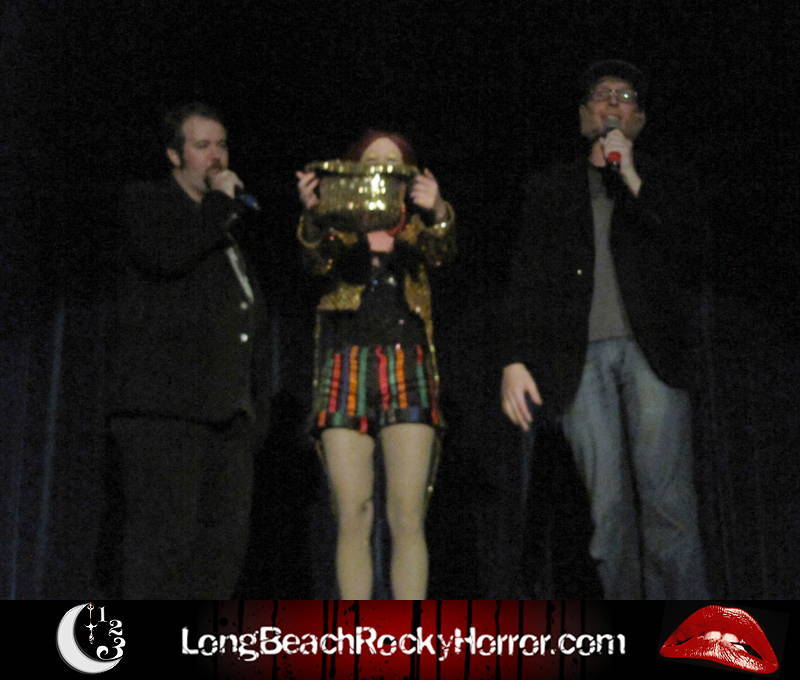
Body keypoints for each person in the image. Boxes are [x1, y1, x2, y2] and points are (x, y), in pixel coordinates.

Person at [499, 60, 709, 599]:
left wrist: (632, 177)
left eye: (625, 95)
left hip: (652, 353)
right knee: (605, 513)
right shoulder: (549, 188)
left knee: (668, 507)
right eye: (601, 94)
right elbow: (526, 275)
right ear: (583, 114)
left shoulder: (664, 181)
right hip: (579, 360)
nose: (613, 102)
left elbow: (689, 256)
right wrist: (515, 358)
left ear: (639, 119)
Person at [106, 102, 271, 598]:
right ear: (174, 155)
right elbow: (166, 256)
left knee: (220, 556)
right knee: (163, 550)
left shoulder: (224, 228)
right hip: (166, 412)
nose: (216, 157)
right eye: (202, 146)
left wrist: (255, 410)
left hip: (226, 417)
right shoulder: (148, 202)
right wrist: (219, 205)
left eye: (222, 145)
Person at [295, 130, 455, 599]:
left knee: (406, 515)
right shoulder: (338, 227)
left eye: (393, 163)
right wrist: (313, 213)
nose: (382, 171)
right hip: (345, 364)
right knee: (353, 512)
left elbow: (443, 252)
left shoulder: (416, 227)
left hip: (407, 364)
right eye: (372, 162)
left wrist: (438, 210)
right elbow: (313, 261)